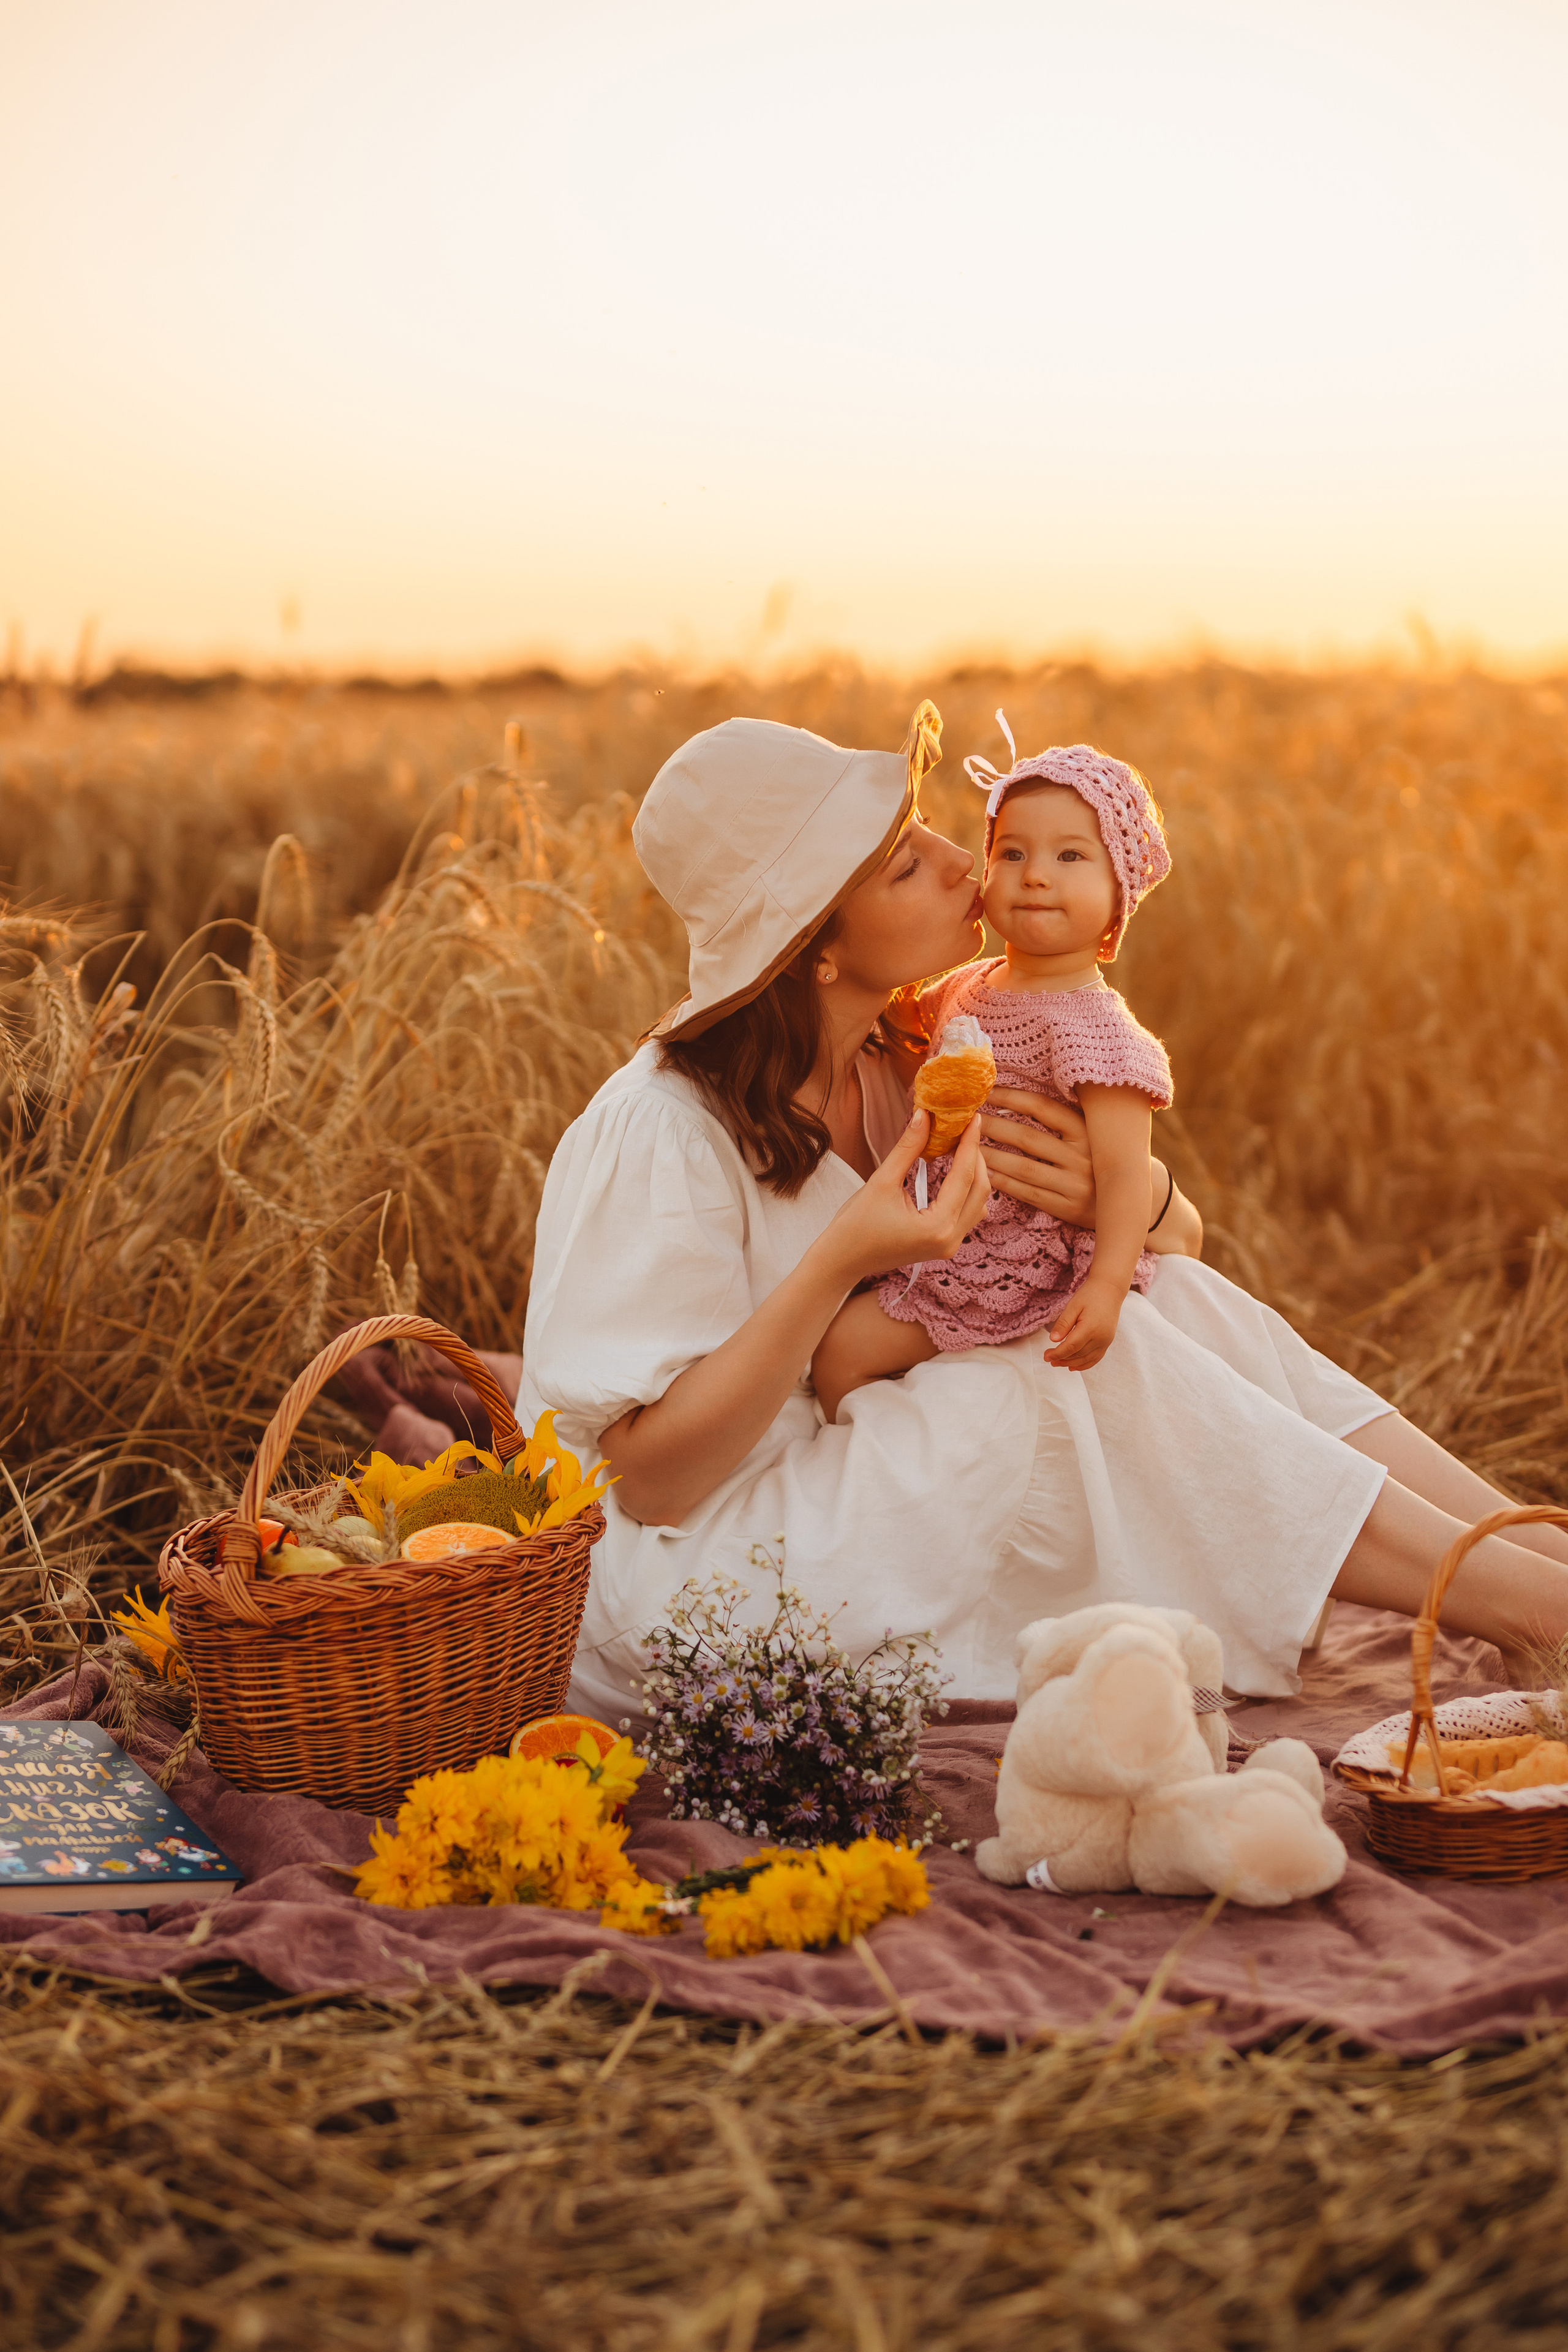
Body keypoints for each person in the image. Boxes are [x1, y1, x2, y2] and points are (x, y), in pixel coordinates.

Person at [520, 706, 1568, 1726]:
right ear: (813, 949)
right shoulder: (660, 1134)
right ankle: (1526, 1608)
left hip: (861, 1451)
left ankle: (1529, 1549)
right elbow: (648, 1483)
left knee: (1169, 1303)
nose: (957, 858)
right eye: (900, 863)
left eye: (926, 824)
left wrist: (1127, 1199)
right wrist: (844, 1258)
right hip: (701, 1568)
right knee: (1057, 1369)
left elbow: (1177, 1251)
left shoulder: (923, 1052)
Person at [812, 725, 1175, 1420]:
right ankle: (879, 1453)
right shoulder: (969, 983)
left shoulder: (1097, 1033)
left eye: (1071, 856)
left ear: (1116, 901)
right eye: (1011, 852)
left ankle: (866, 1471)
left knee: (840, 1354)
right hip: (943, 1230)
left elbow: (1125, 1175)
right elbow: (900, 1032)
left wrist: (1106, 1286)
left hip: (1019, 1259)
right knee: (839, 1352)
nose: (1035, 874)